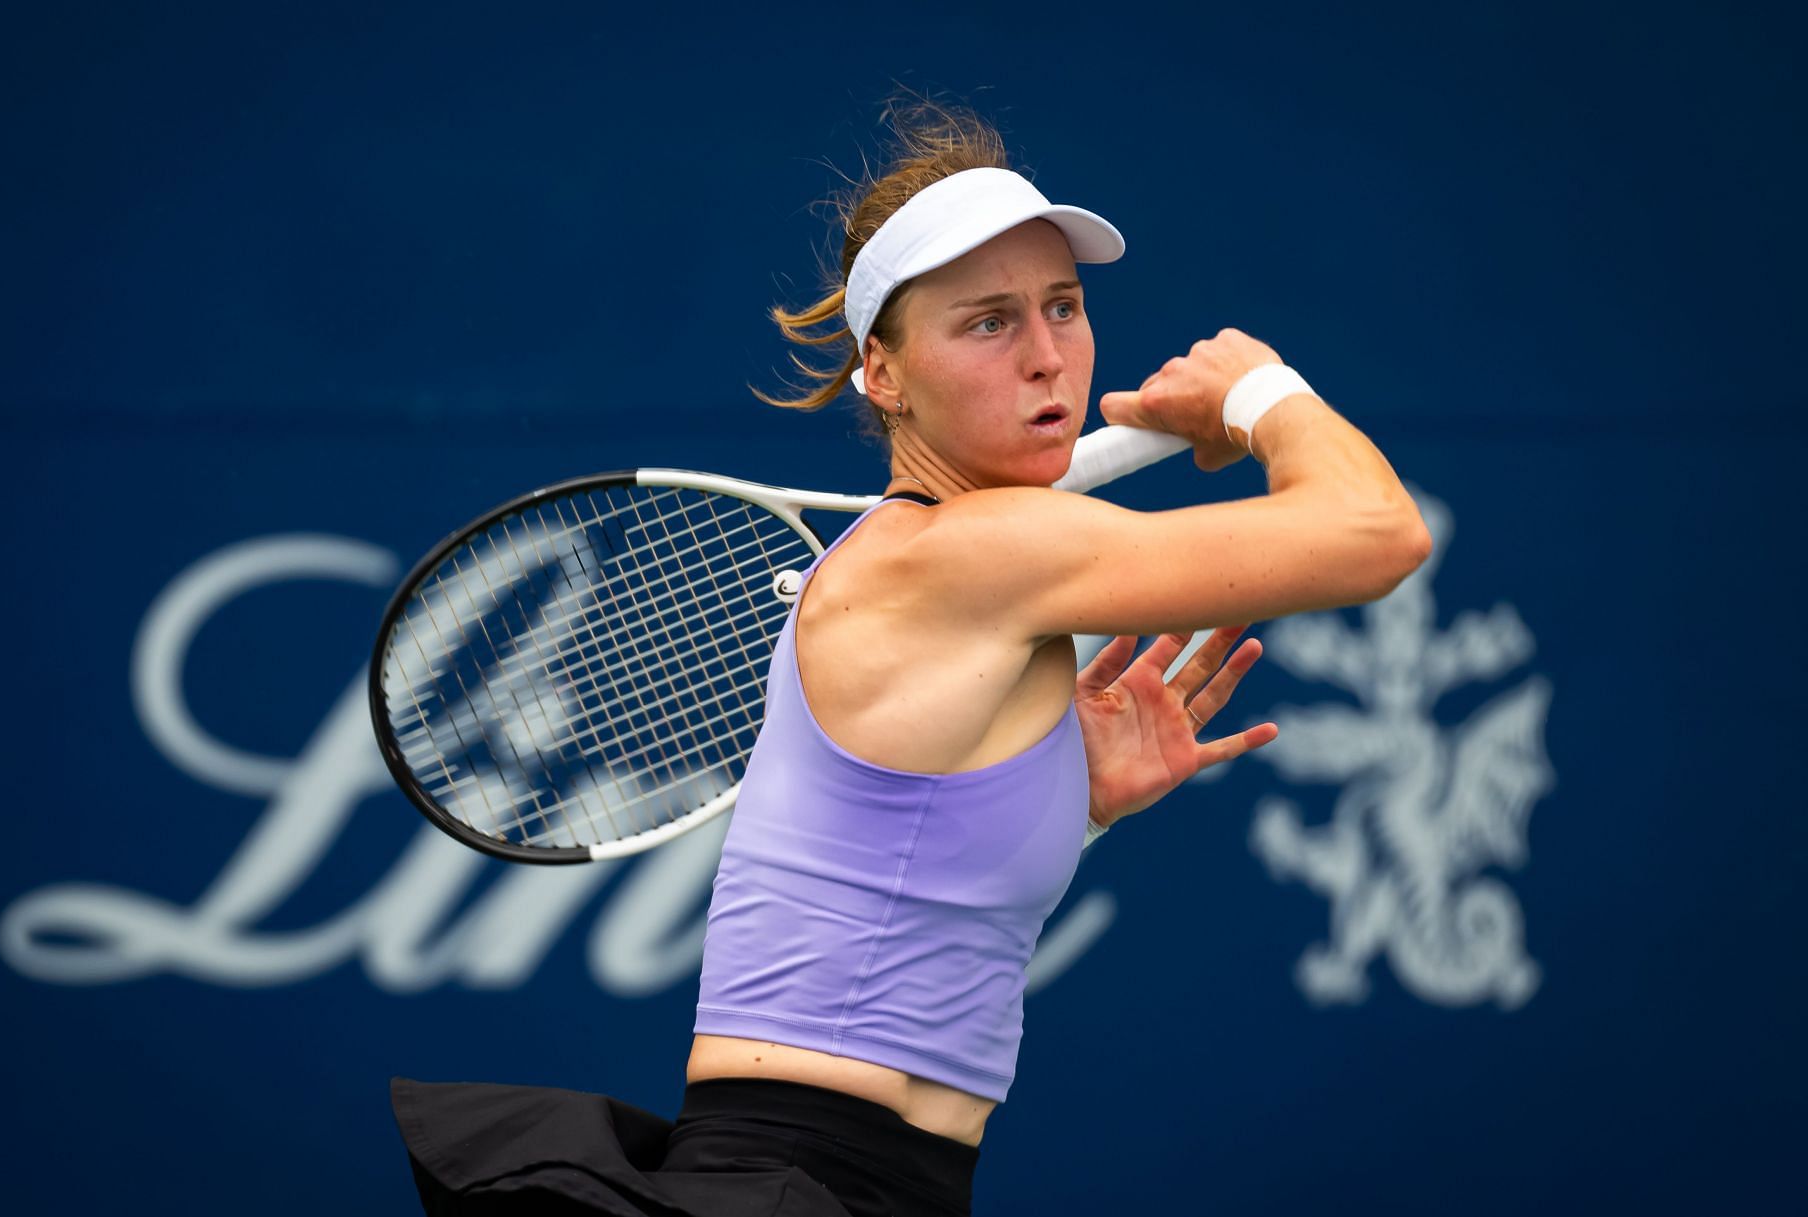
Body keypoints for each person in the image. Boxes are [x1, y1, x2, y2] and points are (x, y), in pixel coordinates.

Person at [393, 99, 1430, 1217]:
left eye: (1064, 308)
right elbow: (1380, 535)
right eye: (987, 322)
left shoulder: (903, 559)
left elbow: (882, 885)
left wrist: (1061, 802)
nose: (1047, 355)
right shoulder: (980, 550)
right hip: (804, 1180)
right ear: (882, 375)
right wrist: (1260, 388)